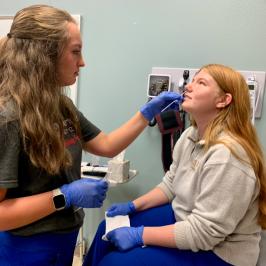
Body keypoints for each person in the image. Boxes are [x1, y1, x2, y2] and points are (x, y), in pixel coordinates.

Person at [0, 4, 183, 266]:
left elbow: (106, 145)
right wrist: (65, 195)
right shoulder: (7, 117)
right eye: (75, 52)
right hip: (25, 249)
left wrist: (146, 114)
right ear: (45, 55)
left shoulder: (61, 107)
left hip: (63, 238)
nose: (82, 62)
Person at [84, 64, 266, 266]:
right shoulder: (191, 136)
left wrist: (140, 235)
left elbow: (204, 233)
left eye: (201, 83)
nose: (189, 86)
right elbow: (171, 184)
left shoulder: (228, 156)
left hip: (220, 251)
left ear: (224, 100)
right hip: (185, 218)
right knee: (106, 229)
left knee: (114, 263)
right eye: (193, 80)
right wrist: (133, 206)